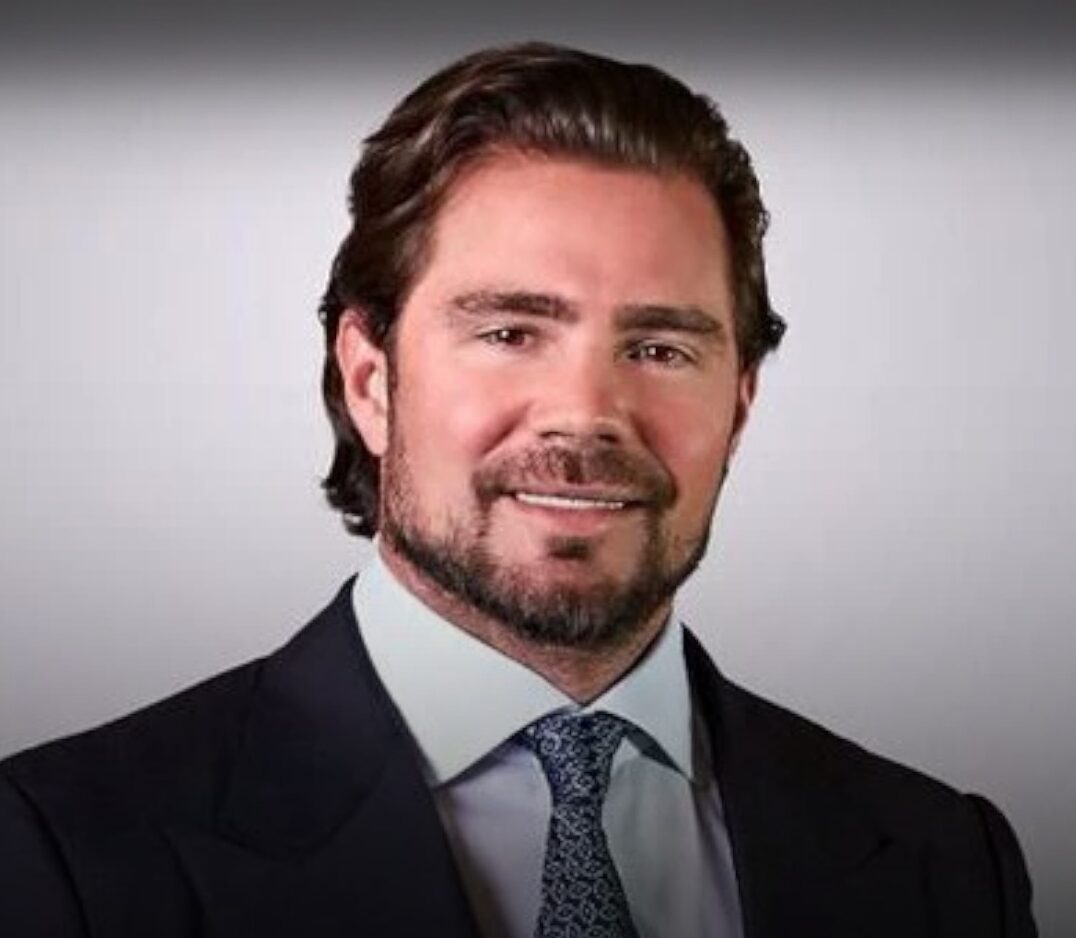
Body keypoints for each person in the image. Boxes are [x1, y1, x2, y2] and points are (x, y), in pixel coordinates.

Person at [0, 42, 1036, 938]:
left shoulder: (945, 863)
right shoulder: (61, 849)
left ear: (740, 401)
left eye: (660, 348)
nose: (584, 413)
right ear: (369, 380)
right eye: (508, 332)